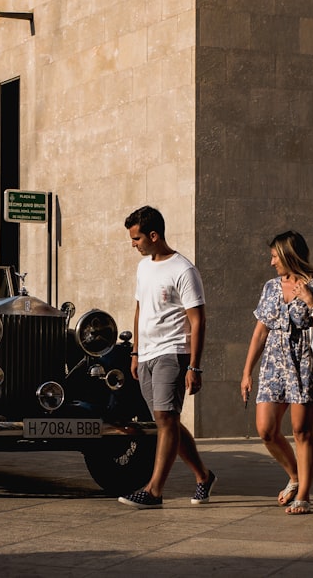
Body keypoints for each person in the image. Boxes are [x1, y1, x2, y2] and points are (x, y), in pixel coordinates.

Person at [119, 205, 216, 509]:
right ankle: (203, 475)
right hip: (146, 354)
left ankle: (154, 490)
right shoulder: (144, 267)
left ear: (153, 235)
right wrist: (135, 351)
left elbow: (198, 320)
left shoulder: (183, 270)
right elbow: (139, 309)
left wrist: (195, 366)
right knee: (166, 420)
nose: (133, 244)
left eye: (136, 238)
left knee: (165, 418)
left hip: (173, 352)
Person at [240, 231, 313, 516]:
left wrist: (310, 301)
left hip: (305, 364)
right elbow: (260, 331)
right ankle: (296, 477)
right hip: (274, 365)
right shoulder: (271, 287)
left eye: (274, 256)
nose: (271, 262)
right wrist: (247, 371)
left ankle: (305, 496)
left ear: (288, 255)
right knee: (266, 430)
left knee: (301, 431)